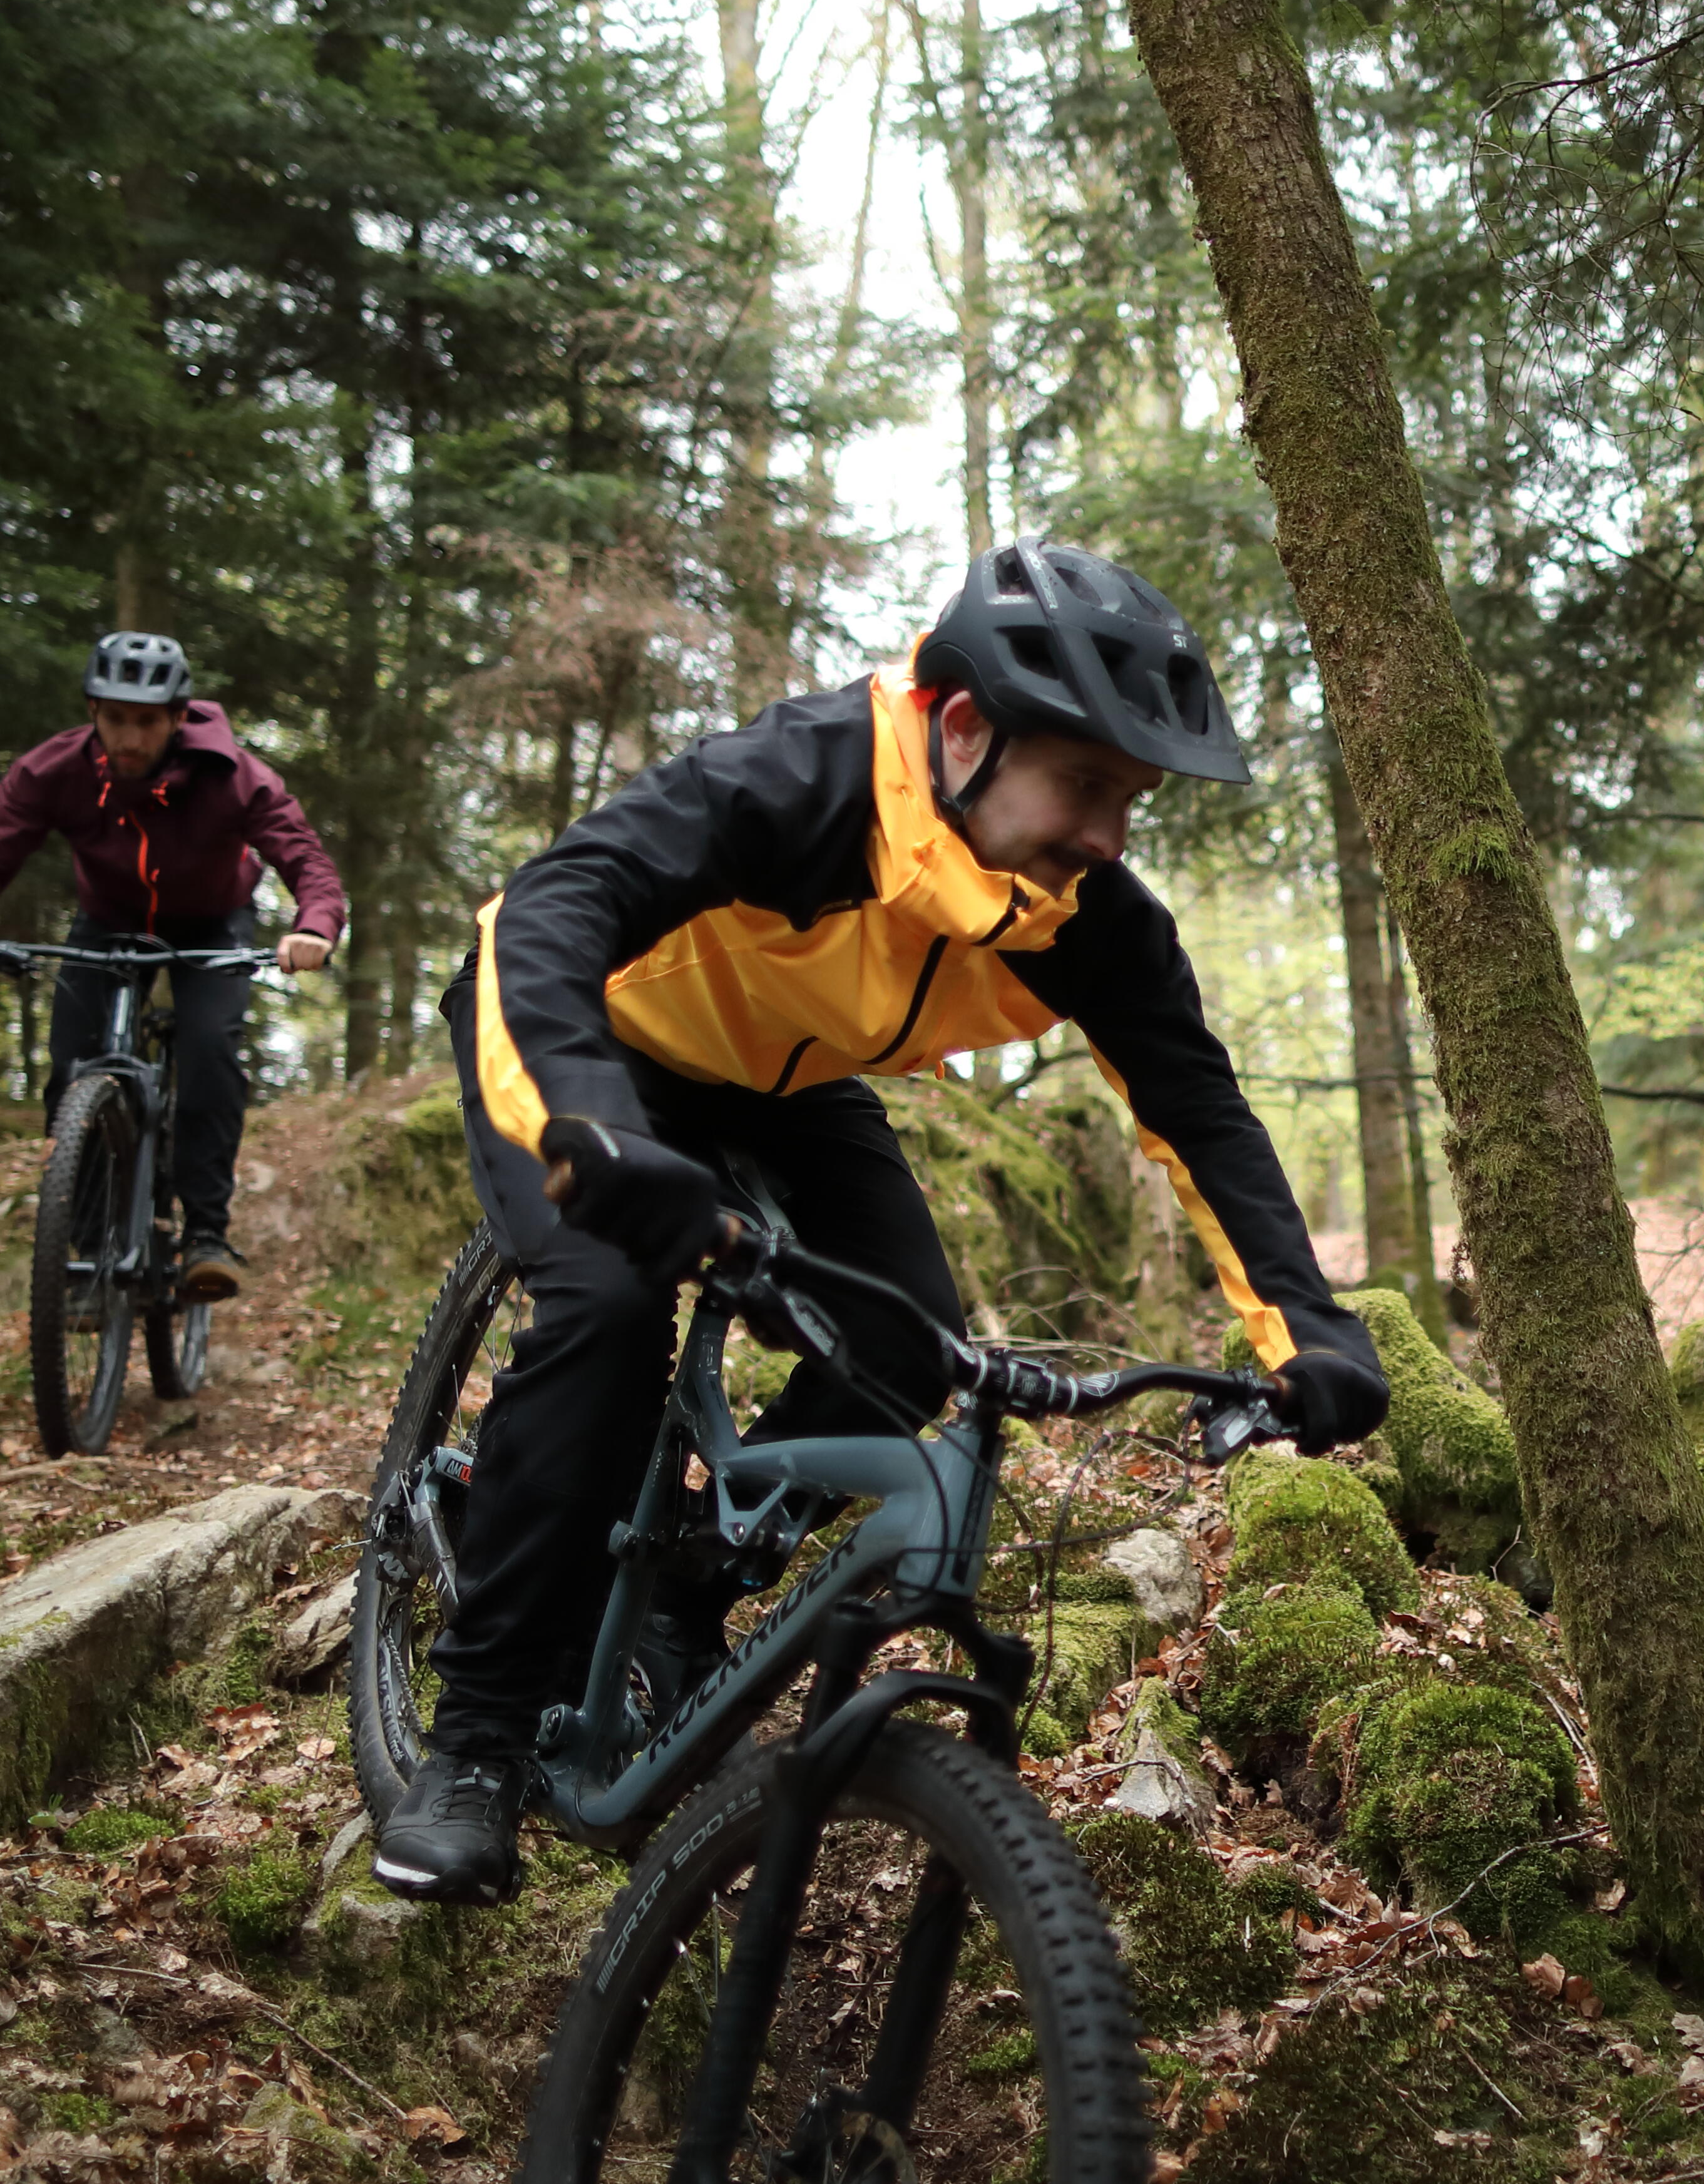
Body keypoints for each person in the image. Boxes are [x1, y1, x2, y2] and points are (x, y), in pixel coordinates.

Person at [374, 538, 1390, 1905]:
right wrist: (589, 1121)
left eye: (1132, 800)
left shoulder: (1082, 914)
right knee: (612, 1309)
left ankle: (682, 1579)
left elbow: (1202, 1119)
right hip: (593, 1038)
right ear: (964, 731)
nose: (1109, 835)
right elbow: (556, 906)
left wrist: (1306, 1332)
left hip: (789, 1077)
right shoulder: (801, 776)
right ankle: (476, 1742)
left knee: (905, 1343)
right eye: (1087, 785)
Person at [0, 630, 348, 1303]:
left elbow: (307, 862)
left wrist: (313, 927)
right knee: (72, 1071)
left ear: (179, 718)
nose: (129, 737)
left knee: (210, 1049)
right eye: (115, 717)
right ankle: (91, 1250)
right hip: (109, 921)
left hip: (213, 922)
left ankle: (206, 1234)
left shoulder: (233, 774)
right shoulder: (54, 770)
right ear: (93, 710)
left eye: (146, 721)